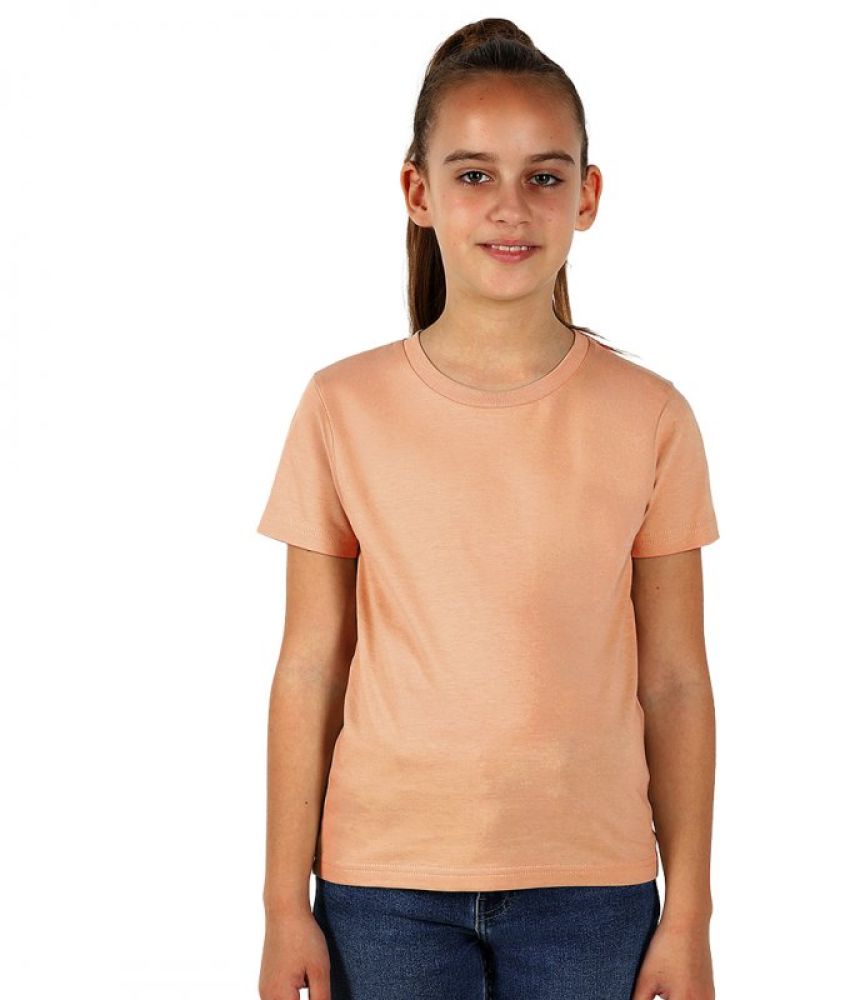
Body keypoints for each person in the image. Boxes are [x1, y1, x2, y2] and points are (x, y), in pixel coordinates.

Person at [256, 17, 719, 1000]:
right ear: (417, 193)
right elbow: (309, 665)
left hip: (592, 889)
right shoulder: (342, 406)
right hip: (383, 886)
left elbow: (677, 680)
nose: (511, 206)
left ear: (587, 196)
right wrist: (281, 904)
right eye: (473, 174)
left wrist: (689, 916)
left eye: (544, 176)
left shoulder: (652, 417)